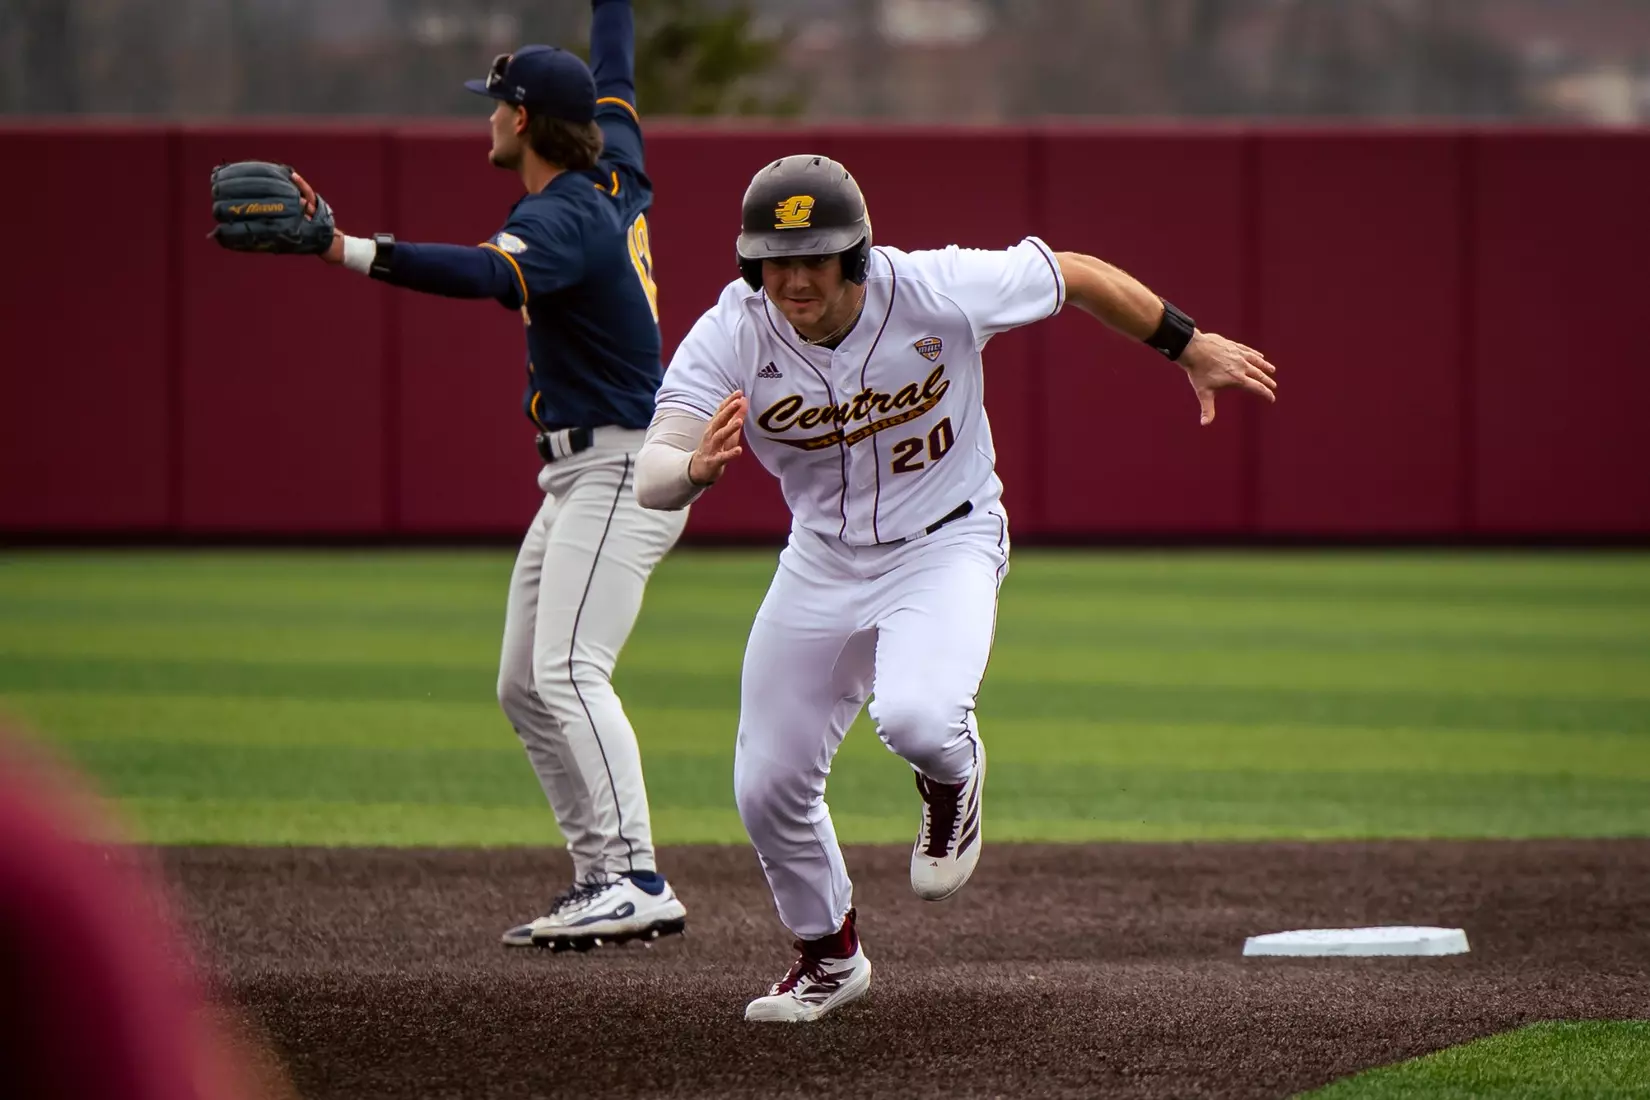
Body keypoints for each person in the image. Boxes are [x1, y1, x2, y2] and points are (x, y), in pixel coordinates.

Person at [633, 154, 1279, 1021]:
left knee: (919, 717)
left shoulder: (937, 289)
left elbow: (1075, 275)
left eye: (813, 257)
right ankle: (828, 959)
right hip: (820, 558)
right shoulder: (735, 330)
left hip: (948, 541)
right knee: (765, 785)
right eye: (774, 260)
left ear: (855, 256)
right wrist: (691, 470)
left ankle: (953, 777)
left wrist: (1186, 343)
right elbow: (654, 468)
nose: (791, 278)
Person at [221, 0, 689, 951]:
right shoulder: (617, 165)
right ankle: (599, 872)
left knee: (568, 668)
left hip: (620, 464)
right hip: (583, 471)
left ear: (523, 122)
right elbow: (619, 74)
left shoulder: (562, 217)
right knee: (525, 684)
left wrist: (340, 248)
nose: (486, 115)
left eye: (494, 104)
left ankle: (639, 875)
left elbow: (482, 276)